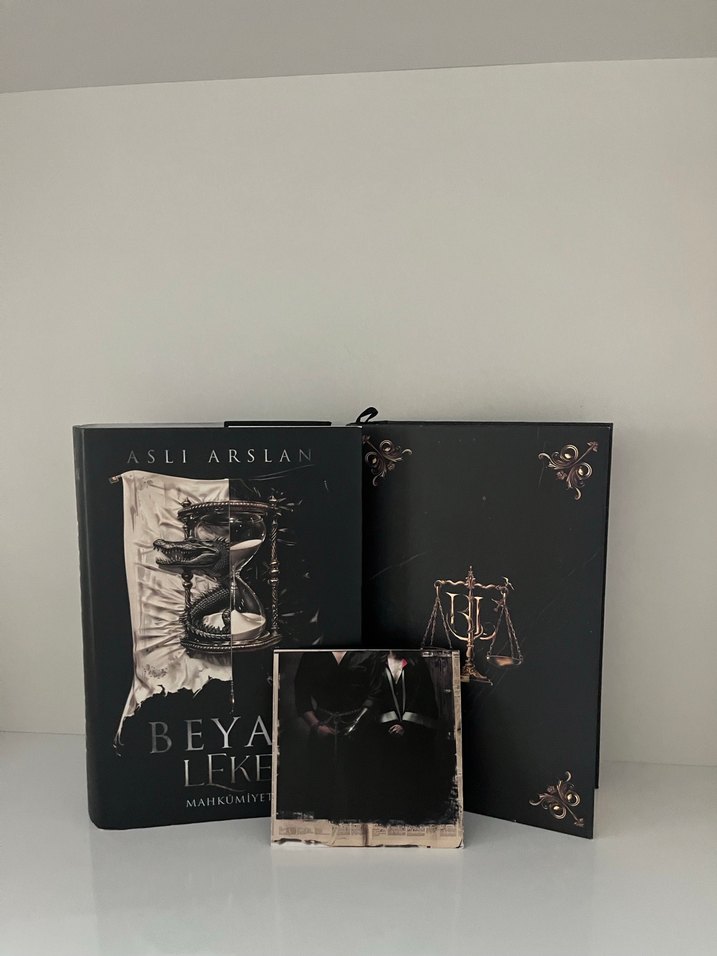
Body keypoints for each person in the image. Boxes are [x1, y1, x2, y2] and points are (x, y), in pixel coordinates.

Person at [293, 650, 380, 821]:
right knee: (321, 785)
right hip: (322, 727)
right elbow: (301, 696)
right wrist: (316, 726)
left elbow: (375, 694)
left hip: (361, 730)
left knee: (359, 785)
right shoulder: (312, 654)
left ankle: (356, 830)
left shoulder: (369, 654)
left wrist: (355, 726)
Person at [373, 650, 440, 822]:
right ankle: (389, 811)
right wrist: (390, 723)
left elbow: (423, 697)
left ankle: (412, 812)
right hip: (384, 729)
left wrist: (405, 725)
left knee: (412, 770)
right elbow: (374, 696)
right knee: (387, 769)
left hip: (414, 731)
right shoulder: (377, 664)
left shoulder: (416, 665)